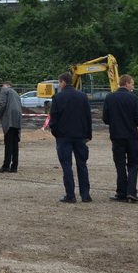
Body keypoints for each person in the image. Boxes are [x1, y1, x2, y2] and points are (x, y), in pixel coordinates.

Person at [49, 72, 92, 203]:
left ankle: (70, 195)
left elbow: (53, 118)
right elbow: (88, 117)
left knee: (67, 166)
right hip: (80, 136)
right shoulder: (82, 96)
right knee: (82, 165)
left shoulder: (57, 97)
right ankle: (85, 195)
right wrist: (88, 134)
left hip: (63, 136)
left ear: (62, 82)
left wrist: (56, 133)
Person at [102, 74, 138, 202]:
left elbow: (105, 118)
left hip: (116, 135)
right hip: (131, 136)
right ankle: (131, 192)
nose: (133, 86)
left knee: (120, 164)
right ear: (126, 83)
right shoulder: (134, 99)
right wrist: (132, 124)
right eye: (132, 83)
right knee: (133, 164)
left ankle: (121, 192)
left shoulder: (110, 98)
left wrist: (114, 124)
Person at [0, 81, 22, 173]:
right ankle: (14, 166)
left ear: (7, 86)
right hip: (17, 119)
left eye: (3, 86)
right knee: (15, 143)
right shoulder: (16, 93)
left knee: (8, 143)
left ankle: (6, 165)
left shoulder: (5, 91)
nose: (2, 87)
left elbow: (2, 104)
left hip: (9, 119)